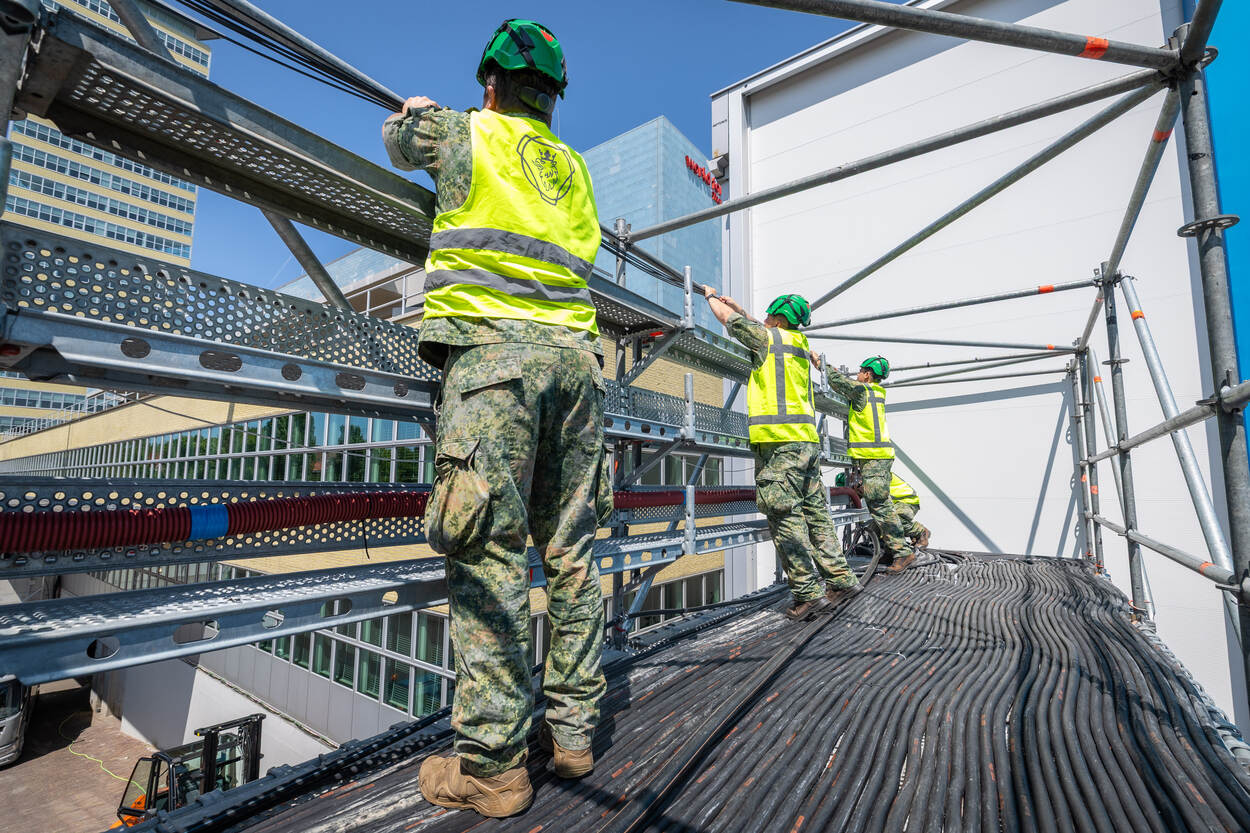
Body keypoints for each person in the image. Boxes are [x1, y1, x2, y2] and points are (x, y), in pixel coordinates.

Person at [383, 19, 611, 818]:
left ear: (490, 83)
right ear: (551, 98)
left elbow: (397, 141)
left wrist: (414, 113)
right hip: (578, 370)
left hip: (493, 366)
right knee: (573, 553)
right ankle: (575, 733)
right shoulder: (577, 169)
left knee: (490, 554)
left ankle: (490, 765)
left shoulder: (463, 131)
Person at [704, 290, 861, 620]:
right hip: (806, 443)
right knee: (816, 513)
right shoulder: (799, 344)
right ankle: (841, 579)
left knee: (784, 515)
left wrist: (710, 297)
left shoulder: (768, 339)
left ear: (777, 318)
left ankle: (807, 593)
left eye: (768, 316)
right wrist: (736, 305)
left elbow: (728, 320)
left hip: (779, 445)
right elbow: (751, 323)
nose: (764, 320)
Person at [825, 357, 916, 573]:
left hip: (874, 457)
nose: (857, 375)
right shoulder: (875, 393)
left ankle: (903, 552)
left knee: (880, 506)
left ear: (867, 375)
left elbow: (839, 382)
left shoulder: (863, 391)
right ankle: (899, 550)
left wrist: (823, 365)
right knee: (879, 506)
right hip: (877, 457)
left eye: (860, 372)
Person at [836, 471, 931, 549]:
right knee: (873, 531)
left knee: (890, 521)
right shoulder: (863, 480)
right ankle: (885, 550)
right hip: (892, 504)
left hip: (905, 500)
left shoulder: (870, 478)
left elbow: (878, 507)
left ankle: (921, 532)